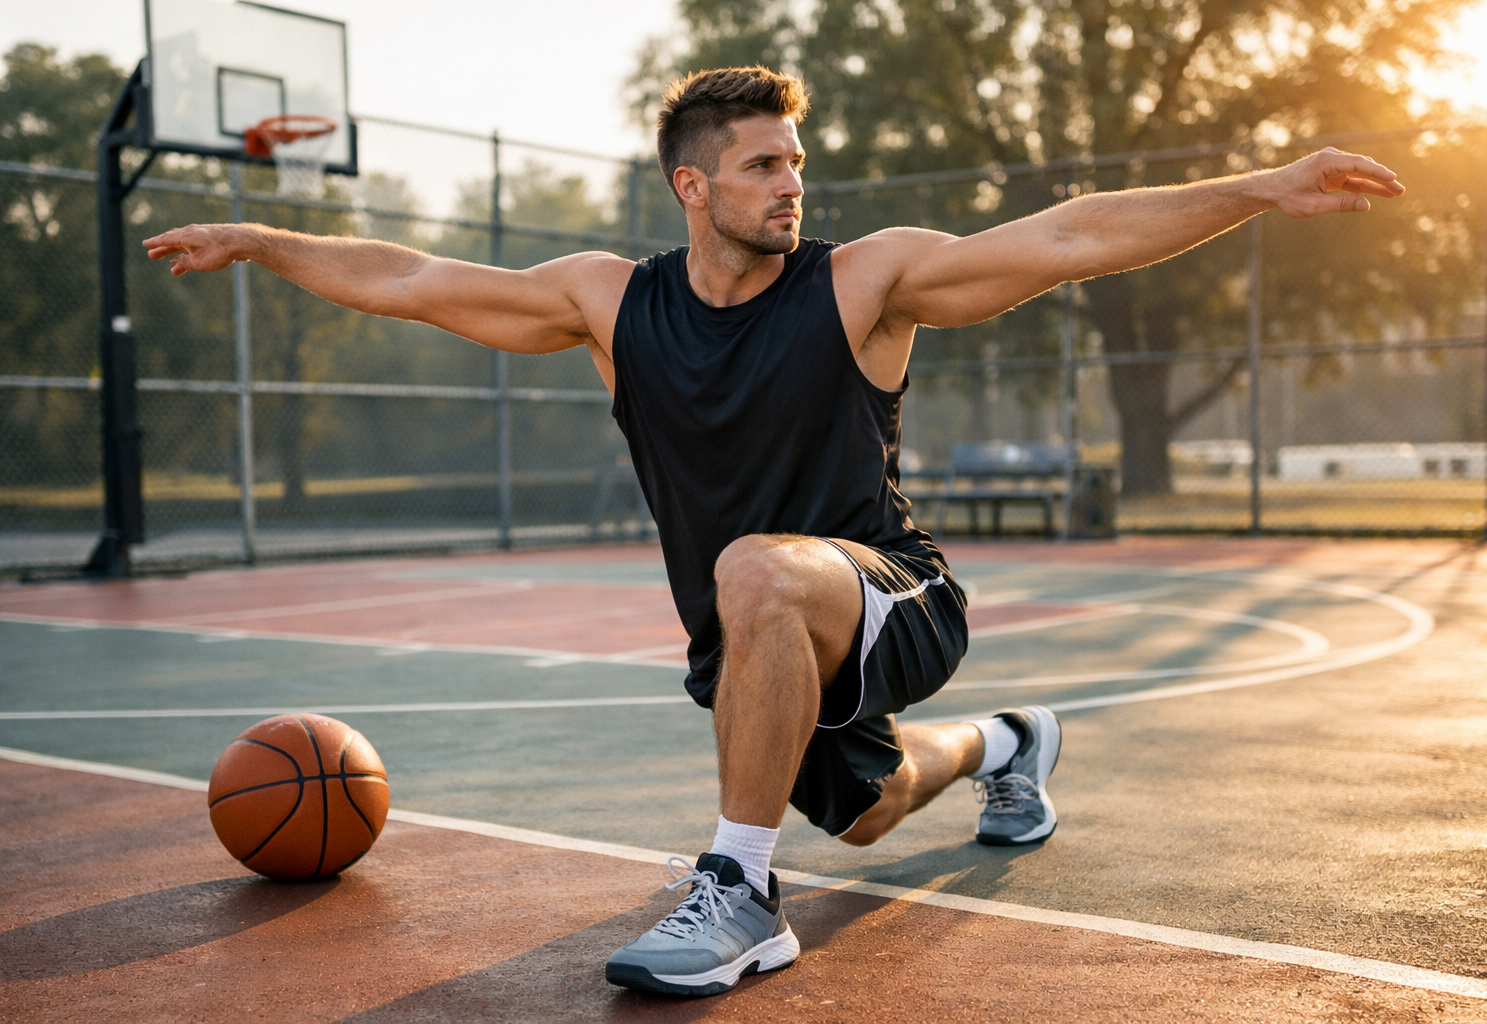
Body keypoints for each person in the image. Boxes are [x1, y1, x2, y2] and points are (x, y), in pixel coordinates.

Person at [144, 65, 1405, 998]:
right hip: (760, 636)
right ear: (693, 184)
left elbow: (1068, 238)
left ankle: (740, 894)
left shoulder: (866, 282)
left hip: (895, 593)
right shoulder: (609, 304)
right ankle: (1014, 741)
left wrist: (1260, 187)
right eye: (762, 166)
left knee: (752, 565)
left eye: (797, 165)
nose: (792, 185)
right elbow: (413, 281)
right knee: (873, 804)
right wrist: (260, 239)